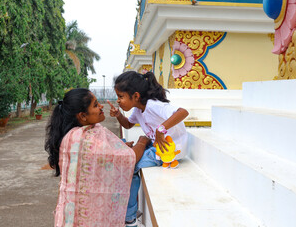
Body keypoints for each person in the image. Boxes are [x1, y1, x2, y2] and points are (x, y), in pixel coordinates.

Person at [44, 88, 150, 227]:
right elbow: (131, 157)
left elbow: (108, 155)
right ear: (82, 116)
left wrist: (121, 147)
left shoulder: (75, 134)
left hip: (69, 218)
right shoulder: (86, 139)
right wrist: (142, 141)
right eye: (95, 105)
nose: (101, 107)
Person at [108, 71, 189, 226]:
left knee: (129, 167)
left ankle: (129, 218)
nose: (118, 100)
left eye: (121, 96)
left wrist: (161, 129)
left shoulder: (153, 105)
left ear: (136, 96)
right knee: (125, 154)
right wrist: (118, 114)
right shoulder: (138, 109)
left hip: (167, 150)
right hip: (155, 147)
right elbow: (128, 124)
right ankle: (131, 209)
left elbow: (183, 112)